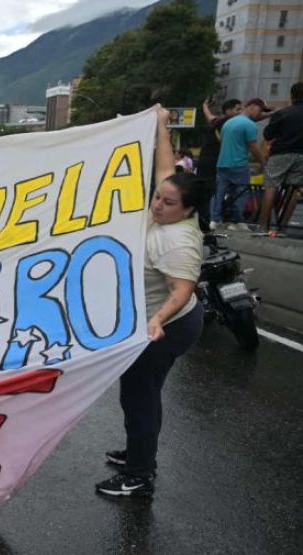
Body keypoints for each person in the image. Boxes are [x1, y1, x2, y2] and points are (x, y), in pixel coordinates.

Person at [96, 107, 206, 498]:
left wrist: (157, 320)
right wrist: (160, 125)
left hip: (169, 325)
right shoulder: (169, 201)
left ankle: (139, 475)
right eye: (158, 197)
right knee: (140, 392)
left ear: (189, 210)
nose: (158, 205)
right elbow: (165, 166)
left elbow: (183, 290)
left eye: (168, 203)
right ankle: (137, 454)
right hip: (154, 320)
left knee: (140, 395)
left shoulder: (177, 240)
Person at [212, 98, 269, 231]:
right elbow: (253, 147)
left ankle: (214, 220)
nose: (260, 114)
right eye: (260, 110)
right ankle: (237, 221)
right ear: (252, 106)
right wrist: (263, 162)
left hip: (222, 163)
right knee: (241, 193)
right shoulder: (249, 125)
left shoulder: (228, 123)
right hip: (239, 164)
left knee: (220, 193)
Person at [257, 82, 303, 237]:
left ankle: (263, 226)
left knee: (271, 186)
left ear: (292, 96)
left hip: (281, 154)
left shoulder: (283, 113)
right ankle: (283, 228)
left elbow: (268, 135)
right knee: (294, 190)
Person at [197, 98, 242, 231]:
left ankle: (205, 218)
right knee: (216, 190)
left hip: (204, 159)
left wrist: (204, 105)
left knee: (207, 189)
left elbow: (208, 115)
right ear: (228, 111)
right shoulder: (228, 123)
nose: (240, 112)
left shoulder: (216, 121)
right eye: (237, 109)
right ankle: (213, 219)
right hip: (214, 160)